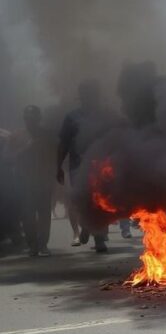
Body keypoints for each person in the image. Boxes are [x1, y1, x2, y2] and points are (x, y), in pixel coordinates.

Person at [56, 81, 109, 253]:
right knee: (82, 200)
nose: (90, 98)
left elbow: (114, 140)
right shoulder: (72, 117)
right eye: (86, 94)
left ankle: (99, 238)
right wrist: (58, 166)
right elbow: (63, 143)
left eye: (92, 94)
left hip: (100, 165)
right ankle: (87, 226)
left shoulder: (104, 115)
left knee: (101, 202)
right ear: (81, 97)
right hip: (78, 167)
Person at [15, 106, 55, 256]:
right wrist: (27, 148)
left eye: (33, 118)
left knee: (44, 213)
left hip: (44, 181)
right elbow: (8, 157)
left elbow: (54, 156)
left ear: (39, 119)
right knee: (27, 215)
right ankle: (32, 245)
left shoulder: (47, 135)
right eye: (27, 118)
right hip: (25, 182)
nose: (30, 121)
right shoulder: (18, 136)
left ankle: (43, 244)